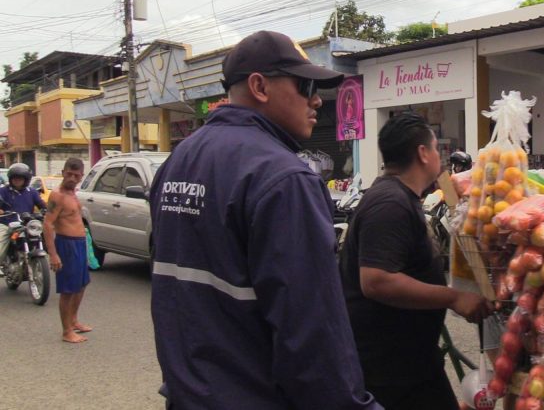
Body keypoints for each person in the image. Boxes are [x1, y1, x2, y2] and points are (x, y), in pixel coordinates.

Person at [149, 31, 381, 410]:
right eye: (306, 86)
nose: (316, 100)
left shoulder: (179, 161)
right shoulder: (285, 179)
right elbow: (313, 335)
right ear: (259, 86)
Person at [339, 112, 493, 410]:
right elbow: (376, 280)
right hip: (391, 372)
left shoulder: (399, 197)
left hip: (411, 363)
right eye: (435, 149)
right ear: (423, 153)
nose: (439, 157)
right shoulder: (390, 203)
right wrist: (454, 297)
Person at [43, 158, 91, 344]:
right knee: (68, 290)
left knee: (81, 284)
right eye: (69, 174)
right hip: (67, 244)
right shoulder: (58, 196)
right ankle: (66, 331)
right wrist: (53, 254)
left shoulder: (73, 193)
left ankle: (73, 320)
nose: (72, 178)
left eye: (76, 175)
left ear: (81, 176)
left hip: (79, 243)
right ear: (63, 172)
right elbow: (48, 224)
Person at [0, 163, 47, 262]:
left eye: (20, 178)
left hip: (27, 224)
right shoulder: (3, 191)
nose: (17, 180)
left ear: (26, 179)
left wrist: (46, 211)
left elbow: (42, 205)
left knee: (47, 233)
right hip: (7, 224)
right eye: (15, 177)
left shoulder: (32, 192)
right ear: (10, 178)